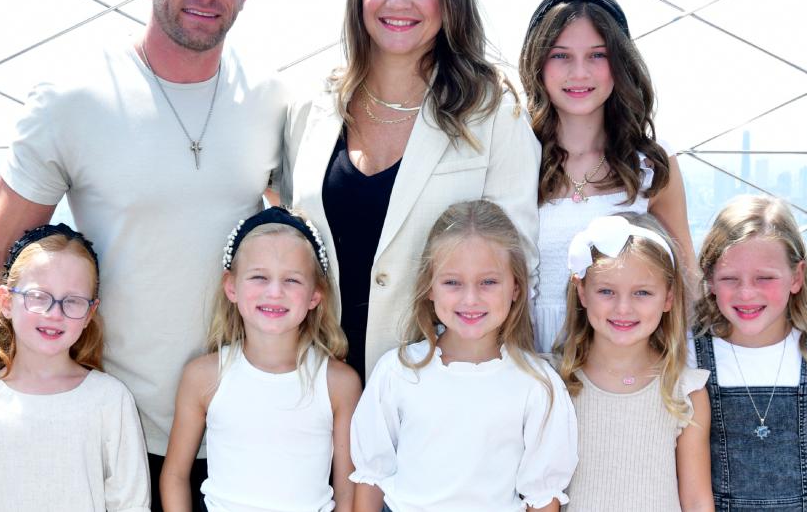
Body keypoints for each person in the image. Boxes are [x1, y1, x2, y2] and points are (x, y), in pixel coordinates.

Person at [0, 0, 287, 511]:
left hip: (240, 420)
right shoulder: (73, 96)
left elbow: (302, 245)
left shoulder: (272, 98)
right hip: (112, 424)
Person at [281, 0, 540, 381]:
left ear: (450, 0)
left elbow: (519, 263)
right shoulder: (312, 108)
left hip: (435, 391)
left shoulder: (494, 112)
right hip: (315, 388)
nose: (398, 1)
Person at [349, 200, 577, 512]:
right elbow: (371, 476)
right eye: (452, 282)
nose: (470, 299)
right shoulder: (398, 371)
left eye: (488, 282)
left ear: (516, 288)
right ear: (429, 287)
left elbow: (542, 496)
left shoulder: (537, 384)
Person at [518, 0, 697, 353]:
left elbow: (685, 279)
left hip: (623, 366)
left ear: (620, 63)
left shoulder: (651, 164)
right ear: (537, 62)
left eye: (597, 55)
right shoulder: (512, 152)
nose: (579, 73)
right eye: (561, 55)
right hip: (526, 362)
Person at [161, 207, 361, 512]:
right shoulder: (203, 376)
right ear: (231, 287)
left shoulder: (339, 383)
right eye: (259, 277)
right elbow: (174, 476)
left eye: (292, 280)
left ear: (315, 296)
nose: (275, 292)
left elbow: (348, 493)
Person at [0, 223, 150, 512]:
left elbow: (131, 506)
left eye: (73, 301)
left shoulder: (111, 399)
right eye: (38, 296)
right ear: (6, 302)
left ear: (90, 313)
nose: (54, 313)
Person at [691, 195, 807, 511]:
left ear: (796, 277)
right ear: (710, 280)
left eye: (765, 278)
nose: (747, 292)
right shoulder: (693, 354)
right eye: (730, 278)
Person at [555, 214, 712, 511]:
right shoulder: (556, 382)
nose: (623, 308)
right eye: (606, 291)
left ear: (668, 298)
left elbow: (697, 500)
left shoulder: (686, 392)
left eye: (642, 292)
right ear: (582, 292)